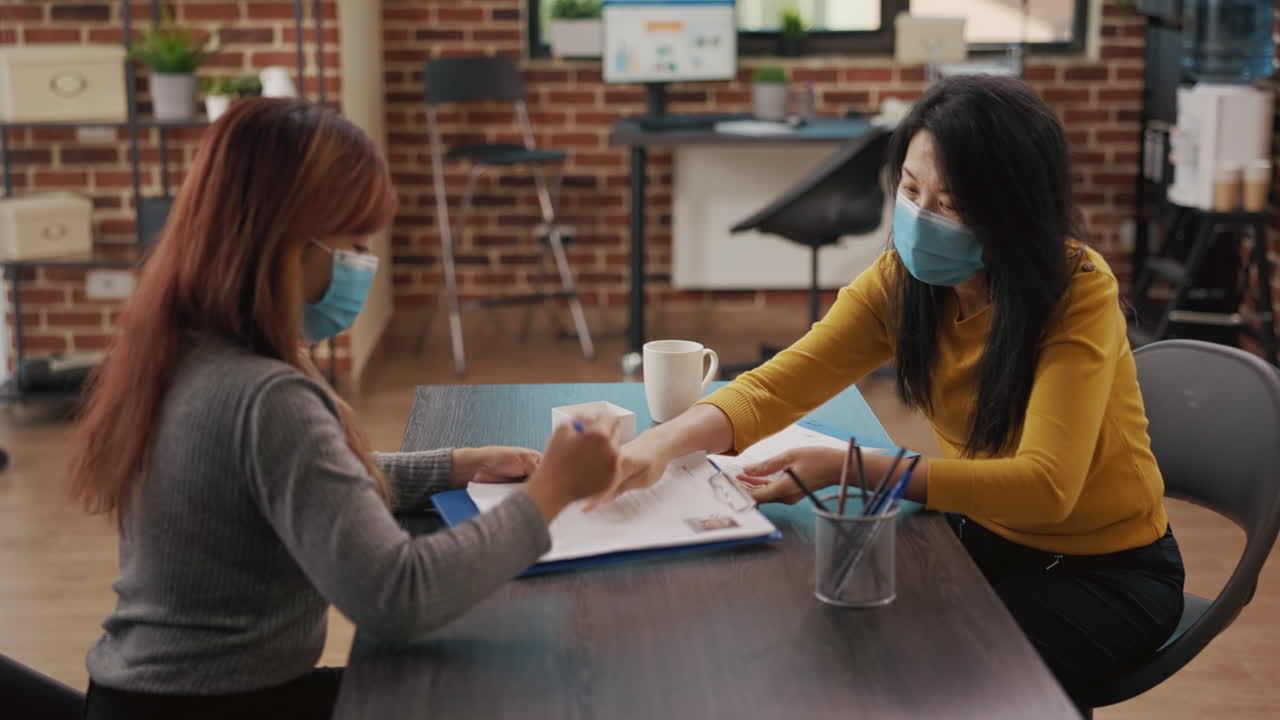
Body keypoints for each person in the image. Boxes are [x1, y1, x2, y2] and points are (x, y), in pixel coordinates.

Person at [599, 75, 1185, 711]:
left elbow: (1046, 486)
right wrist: (655, 447)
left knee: (919, 675)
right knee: (831, 620)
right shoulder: (901, 284)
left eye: (953, 202)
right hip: (989, 535)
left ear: (1015, 208)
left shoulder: (1076, 292)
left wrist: (851, 468)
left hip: (1107, 572)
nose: (921, 216)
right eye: (910, 189)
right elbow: (774, 387)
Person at [68, 99, 620, 719]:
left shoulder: (187, 345)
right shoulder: (266, 394)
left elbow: (303, 481)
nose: (364, 264)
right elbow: (399, 594)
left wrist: (456, 464)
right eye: (355, 243)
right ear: (284, 241)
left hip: (146, 696)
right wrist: (550, 491)